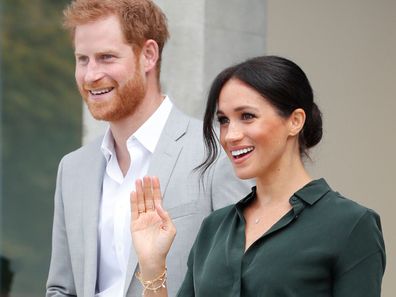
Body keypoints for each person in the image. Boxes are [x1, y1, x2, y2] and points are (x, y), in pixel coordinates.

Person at [130, 55, 386, 297]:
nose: (230, 135)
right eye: (224, 120)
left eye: (247, 116)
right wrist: (152, 266)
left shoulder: (351, 225)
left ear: (295, 121)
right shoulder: (214, 227)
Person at [45, 1, 251, 296]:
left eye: (106, 57)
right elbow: (61, 289)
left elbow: (241, 280)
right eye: (82, 59)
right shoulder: (73, 169)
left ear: (149, 55)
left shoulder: (216, 152)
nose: (90, 75)